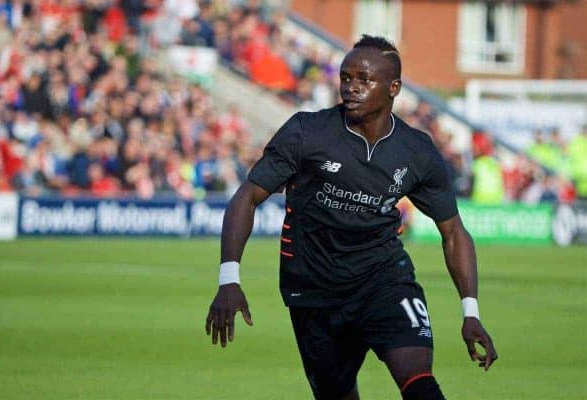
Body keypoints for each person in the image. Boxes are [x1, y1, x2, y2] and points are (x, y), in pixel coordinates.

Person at [205, 35, 498, 400]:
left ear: (394, 88)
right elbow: (247, 196)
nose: (351, 88)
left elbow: (453, 231)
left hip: (383, 279)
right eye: (346, 78)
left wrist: (470, 311)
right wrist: (229, 278)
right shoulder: (307, 132)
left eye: (364, 79)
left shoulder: (417, 151)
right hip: (314, 290)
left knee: (419, 379)